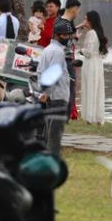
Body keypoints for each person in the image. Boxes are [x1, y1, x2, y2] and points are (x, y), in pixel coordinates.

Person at [38, 20, 72, 156]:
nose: (68, 38)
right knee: (55, 133)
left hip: (51, 95)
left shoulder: (47, 50)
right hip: (58, 95)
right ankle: (52, 159)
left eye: (69, 35)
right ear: (57, 35)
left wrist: (44, 91)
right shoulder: (58, 52)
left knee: (49, 130)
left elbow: (40, 71)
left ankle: (45, 155)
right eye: (65, 35)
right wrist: (47, 92)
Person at [78, 9, 108, 125]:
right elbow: (104, 53)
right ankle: (98, 117)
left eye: (85, 19)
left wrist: (81, 50)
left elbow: (88, 52)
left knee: (89, 88)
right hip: (98, 64)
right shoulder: (99, 33)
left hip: (90, 64)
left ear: (90, 21)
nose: (84, 20)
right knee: (98, 89)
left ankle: (89, 118)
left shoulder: (91, 33)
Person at [56, 0, 82, 119]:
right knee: (70, 86)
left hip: (58, 59)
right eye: (78, 10)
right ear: (73, 9)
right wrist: (75, 38)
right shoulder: (66, 24)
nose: (78, 12)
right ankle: (67, 114)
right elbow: (66, 43)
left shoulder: (58, 21)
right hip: (66, 59)